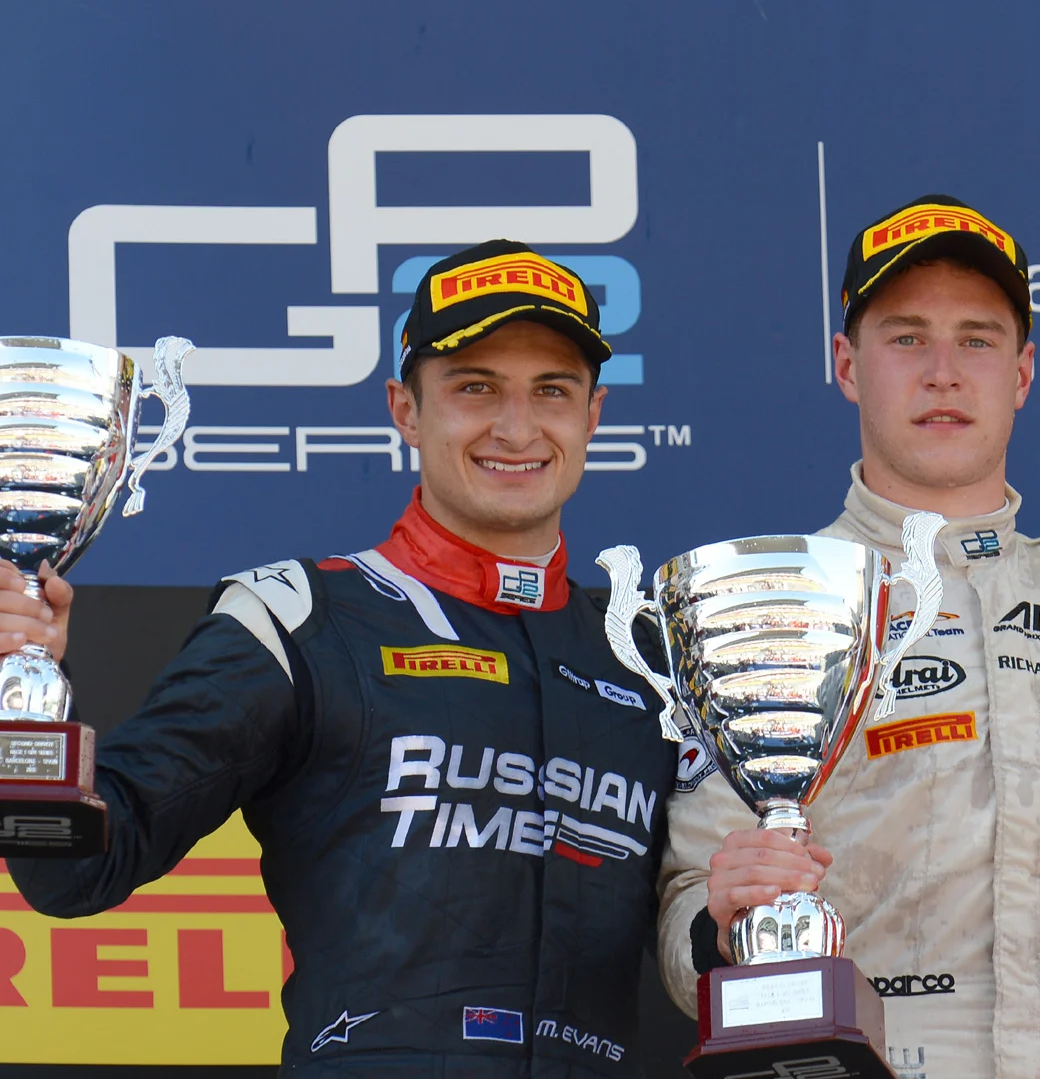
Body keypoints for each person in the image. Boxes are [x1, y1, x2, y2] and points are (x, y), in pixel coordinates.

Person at [2, 240, 679, 1077]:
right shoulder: (297, 622)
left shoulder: (651, 658)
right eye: (475, 387)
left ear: (594, 416)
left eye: (553, 391)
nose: (517, 427)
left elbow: (704, 927)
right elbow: (75, 872)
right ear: (405, 408)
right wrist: (21, 708)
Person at [654, 195, 1040, 1079]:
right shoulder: (778, 607)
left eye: (977, 339)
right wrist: (722, 925)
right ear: (847, 366)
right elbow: (689, 914)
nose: (943, 371)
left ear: (1021, 373)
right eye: (906, 338)